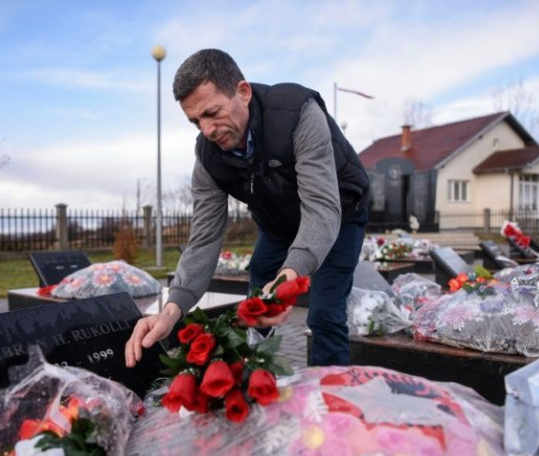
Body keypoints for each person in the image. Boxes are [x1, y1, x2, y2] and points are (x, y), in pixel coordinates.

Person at [125, 48, 369, 367]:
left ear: (242, 92)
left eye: (212, 113)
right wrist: (171, 310)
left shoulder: (297, 115)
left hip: (339, 216)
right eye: (195, 121)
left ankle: (330, 400)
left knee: (325, 314)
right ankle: (254, 370)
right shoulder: (209, 158)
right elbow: (203, 240)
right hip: (277, 225)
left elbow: (321, 207)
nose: (207, 130)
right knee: (258, 293)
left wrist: (289, 276)